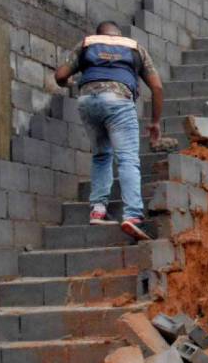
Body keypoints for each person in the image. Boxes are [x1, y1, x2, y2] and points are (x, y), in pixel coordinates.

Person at [54, 21, 164, 241]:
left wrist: (70, 83)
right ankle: (133, 215)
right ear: (118, 35)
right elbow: (157, 87)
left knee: (102, 155)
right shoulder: (133, 47)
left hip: (88, 101)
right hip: (118, 100)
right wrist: (155, 122)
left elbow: (59, 76)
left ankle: (98, 209)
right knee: (127, 159)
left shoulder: (87, 44)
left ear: (100, 34)